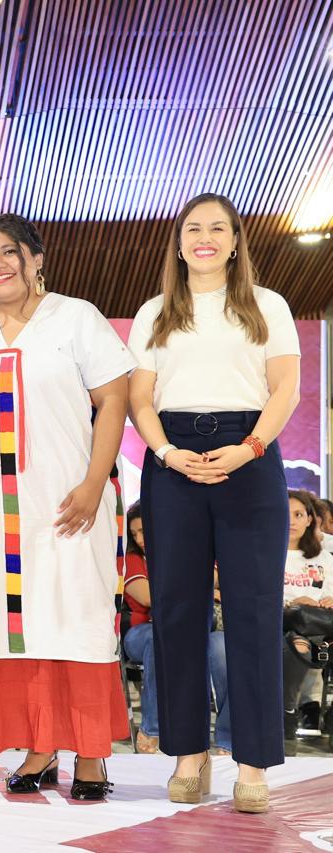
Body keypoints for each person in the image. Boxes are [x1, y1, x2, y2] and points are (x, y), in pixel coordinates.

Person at [0, 213, 133, 801]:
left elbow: (114, 400)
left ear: (36, 259)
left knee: (75, 618)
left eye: (9, 252)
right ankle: (39, 746)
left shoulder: (75, 317)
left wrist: (94, 482)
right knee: (15, 625)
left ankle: (90, 752)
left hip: (67, 504)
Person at [128, 192, 300, 813]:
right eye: (193, 228)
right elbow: (140, 398)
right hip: (172, 460)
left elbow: (285, 388)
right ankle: (188, 757)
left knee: (254, 610)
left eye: (217, 228)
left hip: (250, 453)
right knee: (177, 610)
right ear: (179, 243)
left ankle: (252, 765)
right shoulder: (155, 312)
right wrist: (167, 453)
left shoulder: (266, 305)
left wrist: (249, 447)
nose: (205, 237)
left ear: (234, 241)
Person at [120, 502, 232, 755]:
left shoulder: (191, 549)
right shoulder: (133, 559)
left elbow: (216, 577)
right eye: (134, 534)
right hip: (143, 630)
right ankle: (153, 728)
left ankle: (228, 738)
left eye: (144, 531)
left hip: (197, 629)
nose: (139, 539)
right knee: (160, 640)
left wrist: (181, 590)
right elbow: (146, 596)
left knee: (223, 648)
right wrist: (200, 590)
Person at [280, 490, 333, 740]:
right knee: (298, 645)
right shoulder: (268, 554)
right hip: (285, 624)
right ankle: (288, 711)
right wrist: (292, 602)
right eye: (286, 514)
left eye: (298, 515)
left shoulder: (324, 557)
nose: (292, 521)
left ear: (310, 519)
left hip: (323, 624)